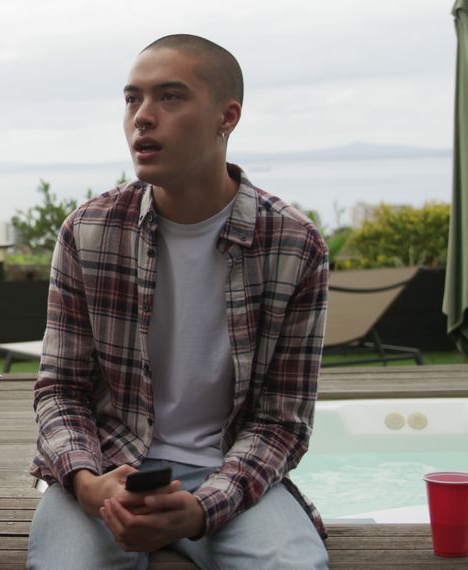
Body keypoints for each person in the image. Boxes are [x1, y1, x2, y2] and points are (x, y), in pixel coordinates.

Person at [27, 35, 330, 570]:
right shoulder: (90, 232)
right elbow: (60, 389)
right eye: (131, 99)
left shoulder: (293, 244)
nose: (142, 117)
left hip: (230, 476)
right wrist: (87, 483)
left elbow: (283, 421)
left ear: (226, 116)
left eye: (169, 97)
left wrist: (202, 508)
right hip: (109, 467)